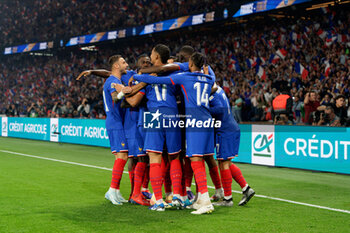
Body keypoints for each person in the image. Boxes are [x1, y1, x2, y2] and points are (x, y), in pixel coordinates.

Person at [134, 52, 216, 215]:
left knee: (155, 156)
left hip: (155, 114)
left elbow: (134, 98)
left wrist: (138, 76)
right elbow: (211, 79)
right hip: (178, 114)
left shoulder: (182, 76)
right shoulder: (202, 77)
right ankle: (179, 195)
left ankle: (158, 199)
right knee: (175, 156)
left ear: (156, 56)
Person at [209, 85, 255, 206]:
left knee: (223, 163)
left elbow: (220, 109)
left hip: (225, 131)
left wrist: (204, 109)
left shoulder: (211, 95)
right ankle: (246, 188)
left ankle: (228, 199)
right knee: (226, 163)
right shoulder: (218, 89)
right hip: (230, 128)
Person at [102, 55, 133, 205]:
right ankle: (112, 189)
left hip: (115, 122)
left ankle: (116, 190)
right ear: (115, 66)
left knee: (120, 157)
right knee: (122, 156)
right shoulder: (113, 81)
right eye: (123, 62)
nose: (126, 64)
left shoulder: (114, 80)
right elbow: (115, 97)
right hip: (115, 122)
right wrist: (123, 92)